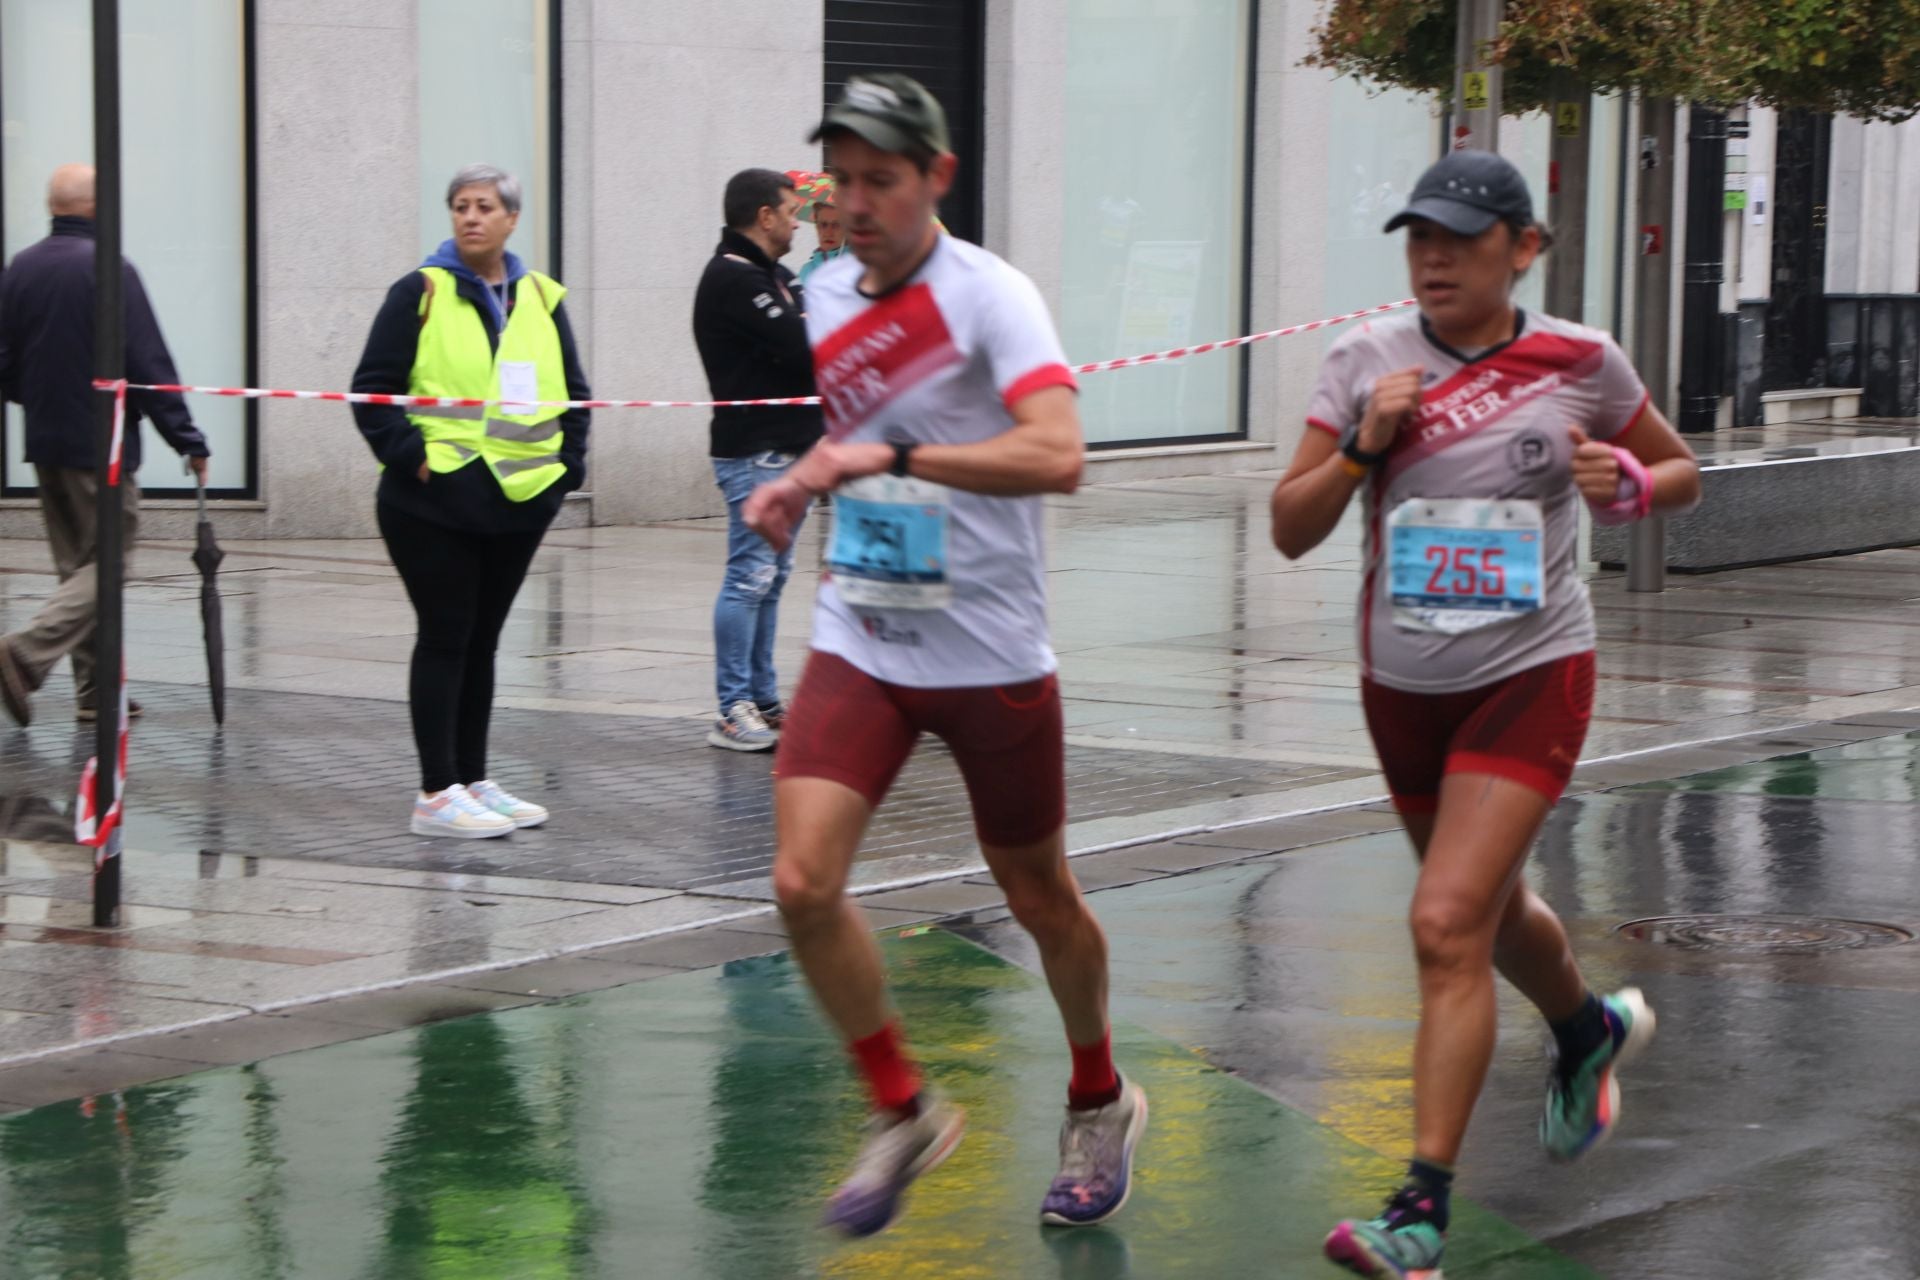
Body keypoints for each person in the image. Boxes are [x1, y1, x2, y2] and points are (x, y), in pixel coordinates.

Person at [1269, 150, 1701, 1278]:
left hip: (1531, 674)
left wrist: (1633, 486)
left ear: (1526, 248)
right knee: (1492, 912)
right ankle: (1585, 1027)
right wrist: (1365, 442)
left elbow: (1680, 468)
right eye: (1419, 237)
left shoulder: (1579, 360)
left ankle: (1419, 1212)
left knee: (1443, 923)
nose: (1434, 257)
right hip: (1403, 689)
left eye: (1460, 238)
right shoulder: (1364, 360)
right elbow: (1288, 525)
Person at [743, 73, 1147, 1239]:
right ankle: (905, 1107)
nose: (856, 202)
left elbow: (1059, 453)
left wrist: (884, 459)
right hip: (863, 630)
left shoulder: (990, 297)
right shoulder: (823, 294)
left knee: (1040, 894)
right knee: (800, 880)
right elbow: (847, 443)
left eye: (883, 179)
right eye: (843, 180)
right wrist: (800, 479)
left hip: (989, 647)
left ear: (938, 179)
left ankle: (1097, 1095)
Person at [351, 164, 590, 839]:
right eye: (460, 207)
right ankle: (435, 792)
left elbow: (573, 392)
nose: (471, 217)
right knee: (446, 636)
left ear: (512, 219)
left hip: (517, 499)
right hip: (432, 502)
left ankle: (472, 779)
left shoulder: (540, 296)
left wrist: (566, 469)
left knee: (482, 642)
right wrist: (416, 459)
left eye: (485, 206)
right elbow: (371, 388)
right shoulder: (420, 291)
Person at [0, 163, 210, 727]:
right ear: (96, 206)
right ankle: (22, 653)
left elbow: (4, 364)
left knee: (79, 573)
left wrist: (39, 399)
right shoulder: (112, 270)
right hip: (104, 446)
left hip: (45, 443)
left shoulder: (19, 270)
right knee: (109, 567)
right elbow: (149, 366)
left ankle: (96, 692)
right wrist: (188, 439)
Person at [692, 169, 824, 752]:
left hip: (791, 450)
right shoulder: (733, 279)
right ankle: (732, 707)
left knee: (772, 579)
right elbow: (804, 351)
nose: (800, 221)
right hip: (755, 452)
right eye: (792, 211)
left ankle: (764, 699)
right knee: (749, 578)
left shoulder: (774, 277)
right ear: (764, 216)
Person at [798, 196, 848, 287]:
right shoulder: (806, 271)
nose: (828, 233)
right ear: (816, 227)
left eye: (836, 225)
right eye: (823, 224)